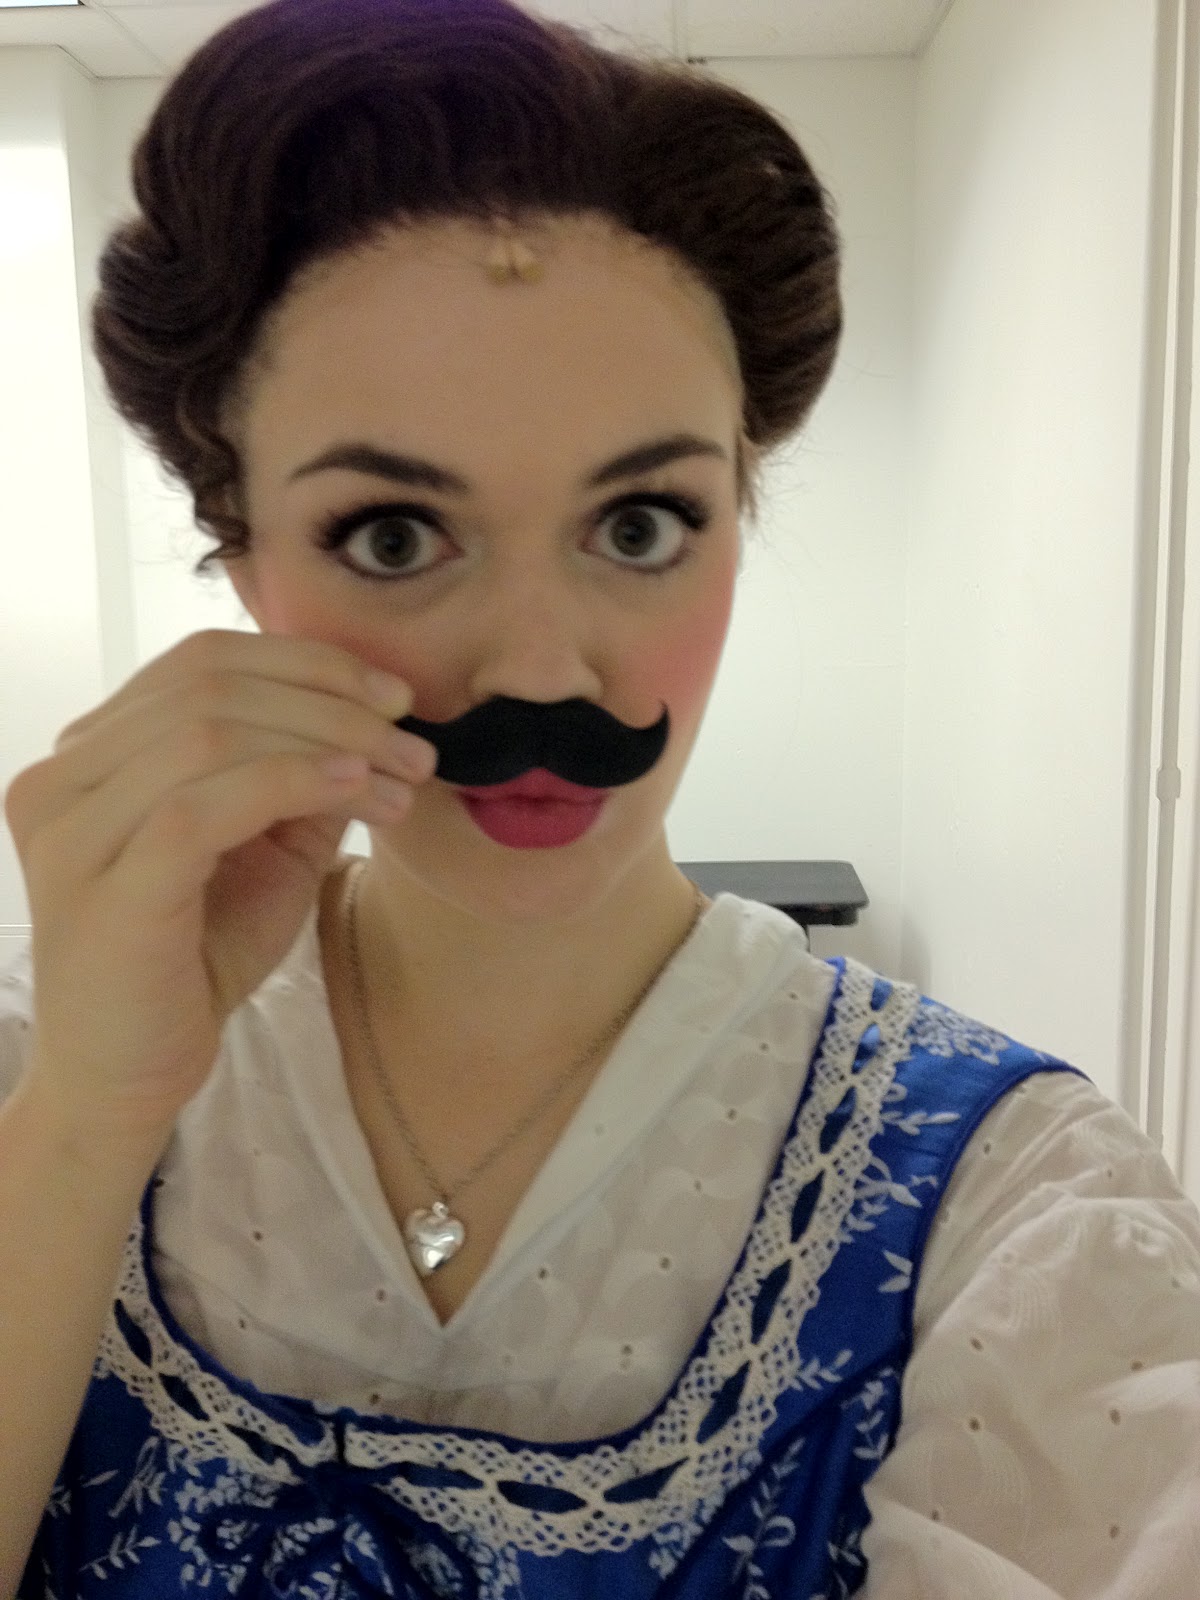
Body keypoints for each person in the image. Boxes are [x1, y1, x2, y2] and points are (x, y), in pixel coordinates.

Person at [1, 0, 1197, 1594]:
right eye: (393, 537)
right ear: (240, 552)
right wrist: (85, 1121)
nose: (542, 670)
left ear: (738, 518)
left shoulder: (1015, 1216)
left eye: (640, 526)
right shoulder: (44, 1069)